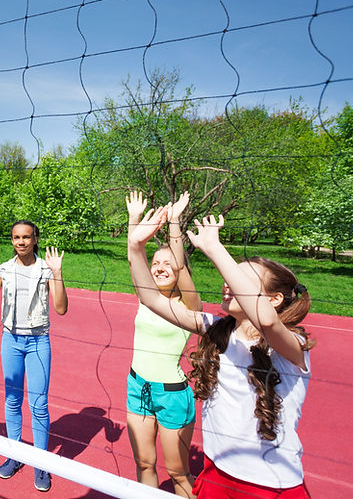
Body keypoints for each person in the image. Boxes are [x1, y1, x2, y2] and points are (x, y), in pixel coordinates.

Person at [127, 208, 314, 499]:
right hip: (217, 474)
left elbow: (266, 321)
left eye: (240, 278)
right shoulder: (217, 328)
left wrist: (215, 249)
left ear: (274, 299)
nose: (228, 281)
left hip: (271, 485)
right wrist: (135, 247)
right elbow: (150, 298)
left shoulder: (293, 346)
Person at [0, 220, 68, 492]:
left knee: (39, 404)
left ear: (35, 238)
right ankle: (14, 455)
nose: (21, 242)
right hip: (11, 341)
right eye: (16, 237)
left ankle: (40, 463)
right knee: (12, 399)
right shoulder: (3, 270)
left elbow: (61, 308)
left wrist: (58, 273)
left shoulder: (46, 269)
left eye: (26, 237)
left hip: (38, 341)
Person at [124, 192, 200, 498]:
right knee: (144, 464)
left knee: (178, 473)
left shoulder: (188, 307)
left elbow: (179, 266)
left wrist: (174, 223)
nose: (159, 267)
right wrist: (133, 219)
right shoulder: (147, 298)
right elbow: (135, 254)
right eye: (156, 262)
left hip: (172, 395)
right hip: (136, 387)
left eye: (167, 263)